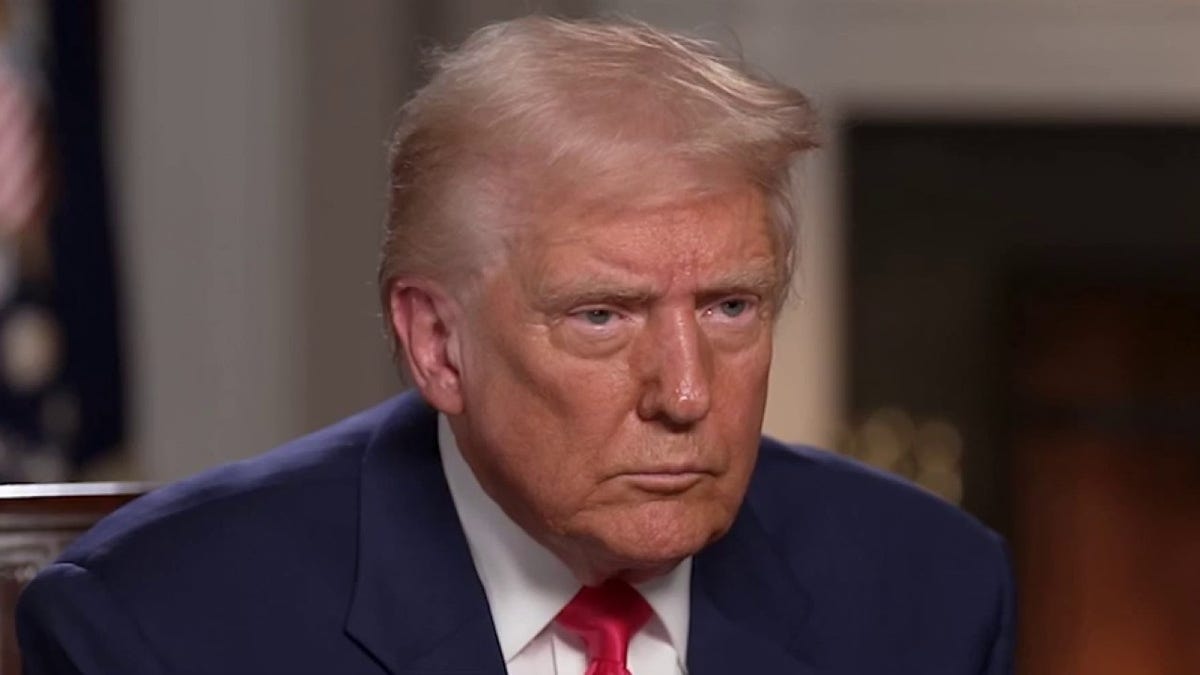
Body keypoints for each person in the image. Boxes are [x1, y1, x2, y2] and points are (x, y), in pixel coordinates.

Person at [16, 16, 1014, 675]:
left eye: (729, 307)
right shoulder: (159, 628)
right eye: (602, 316)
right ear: (436, 344)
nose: (684, 394)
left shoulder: (931, 589)